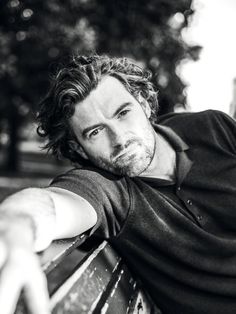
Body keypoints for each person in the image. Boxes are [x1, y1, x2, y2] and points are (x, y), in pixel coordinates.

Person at [0, 55, 236, 314]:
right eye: (95, 132)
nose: (119, 138)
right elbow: (51, 204)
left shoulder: (214, 127)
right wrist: (16, 231)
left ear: (144, 104)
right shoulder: (108, 189)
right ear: (78, 147)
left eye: (123, 113)